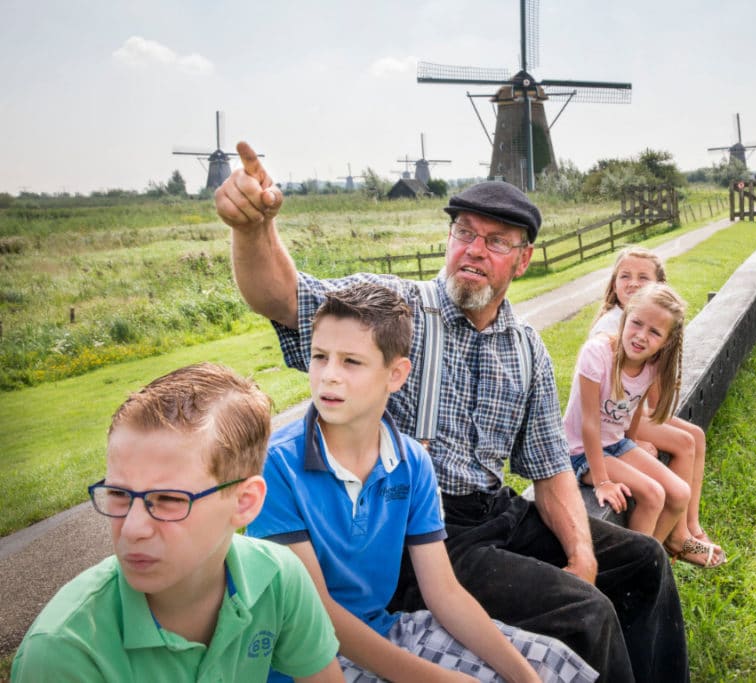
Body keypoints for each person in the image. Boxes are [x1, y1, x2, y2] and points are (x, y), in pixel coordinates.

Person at [216, 142, 688, 682]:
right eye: (464, 233)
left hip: (501, 512)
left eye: (495, 241)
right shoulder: (397, 309)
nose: (473, 250)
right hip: (428, 533)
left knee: (645, 562)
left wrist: (581, 552)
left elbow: (551, 466)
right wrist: (252, 228)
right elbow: (284, 297)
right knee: (584, 612)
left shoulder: (525, 345)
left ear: (524, 258)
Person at [247, 284, 597, 682]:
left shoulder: (412, 462)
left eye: (351, 362)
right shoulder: (278, 465)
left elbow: (444, 593)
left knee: (547, 665)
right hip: (302, 660)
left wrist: (525, 677)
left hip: (385, 631)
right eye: (320, 357)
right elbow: (317, 613)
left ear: (395, 374)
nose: (329, 376)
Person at [10, 363, 343, 682]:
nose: (132, 529)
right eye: (118, 494)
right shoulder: (63, 651)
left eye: (169, 499)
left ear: (245, 502)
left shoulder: (277, 578)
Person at [567, 283, 725, 568]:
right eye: (637, 323)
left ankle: (648, 561)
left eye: (654, 332)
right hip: (581, 451)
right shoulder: (597, 354)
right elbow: (589, 424)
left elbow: (636, 410)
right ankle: (629, 573)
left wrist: (634, 446)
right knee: (653, 495)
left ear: (666, 341)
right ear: (626, 317)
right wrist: (602, 481)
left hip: (615, 444)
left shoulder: (651, 364)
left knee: (679, 493)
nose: (641, 336)